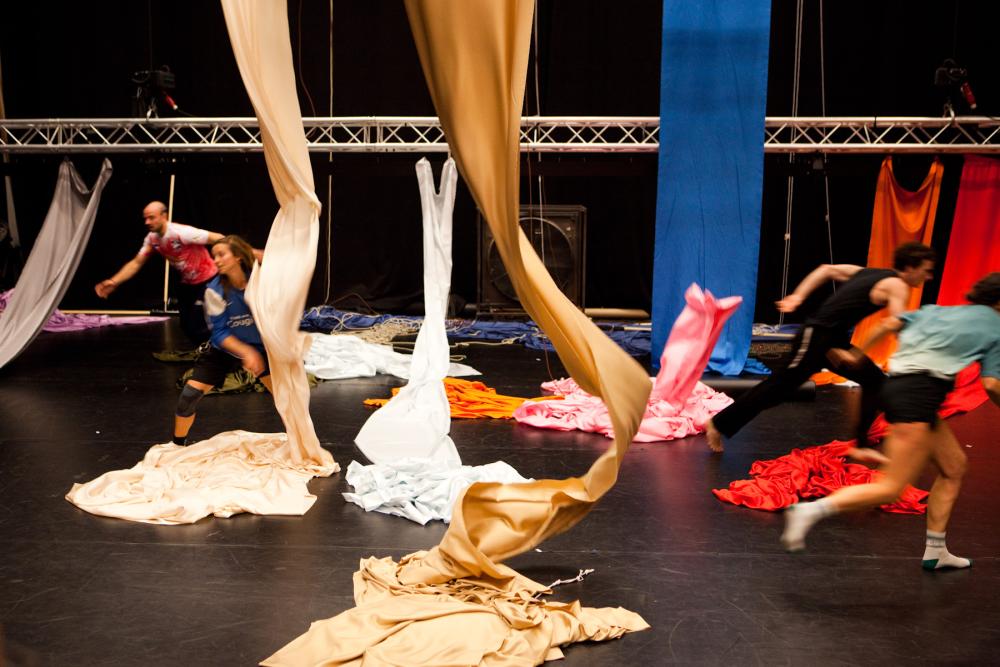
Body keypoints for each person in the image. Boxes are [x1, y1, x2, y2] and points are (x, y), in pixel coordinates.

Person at [781, 272, 1000, 570]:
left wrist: (857, 353)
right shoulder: (996, 326)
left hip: (902, 389)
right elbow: (990, 385)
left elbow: (889, 323)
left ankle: (936, 552)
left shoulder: (939, 310)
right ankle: (811, 512)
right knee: (891, 488)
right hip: (917, 399)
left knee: (954, 467)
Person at [705, 242, 938, 459]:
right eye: (926, 270)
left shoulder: (868, 272)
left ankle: (862, 444)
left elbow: (826, 270)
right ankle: (719, 424)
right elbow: (896, 324)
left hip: (833, 342)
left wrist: (799, 295)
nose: (929, 277)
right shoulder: (898, 285)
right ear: (909, 267)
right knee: (776, 389)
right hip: (816, 337)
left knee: (875, 381)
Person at [172, 235, 270, 446]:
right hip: (225, 350)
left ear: (237, 257)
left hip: (263, 349)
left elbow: (282, 260)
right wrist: (246, 353)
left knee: (287, 400)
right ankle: (177, 445)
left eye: (221, 254)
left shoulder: (259, 278)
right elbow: (220, 333)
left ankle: (301, 442)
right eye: (213, 255)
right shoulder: (214, 290)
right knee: (188, 397)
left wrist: (247, 250)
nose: (215, 260)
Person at [95, 201, 224, 343]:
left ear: (164, 216)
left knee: (203, 322)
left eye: (151, 217)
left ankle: (219, 352)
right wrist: (114, 281)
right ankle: (205, 351)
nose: (147, 222)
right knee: (187, 325)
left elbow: (218, 238)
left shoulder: (181, 232)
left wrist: (233, 255)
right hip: (188, 284)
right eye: (145, 218)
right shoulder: (152, 239)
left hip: (208, 280)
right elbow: (136, 262)